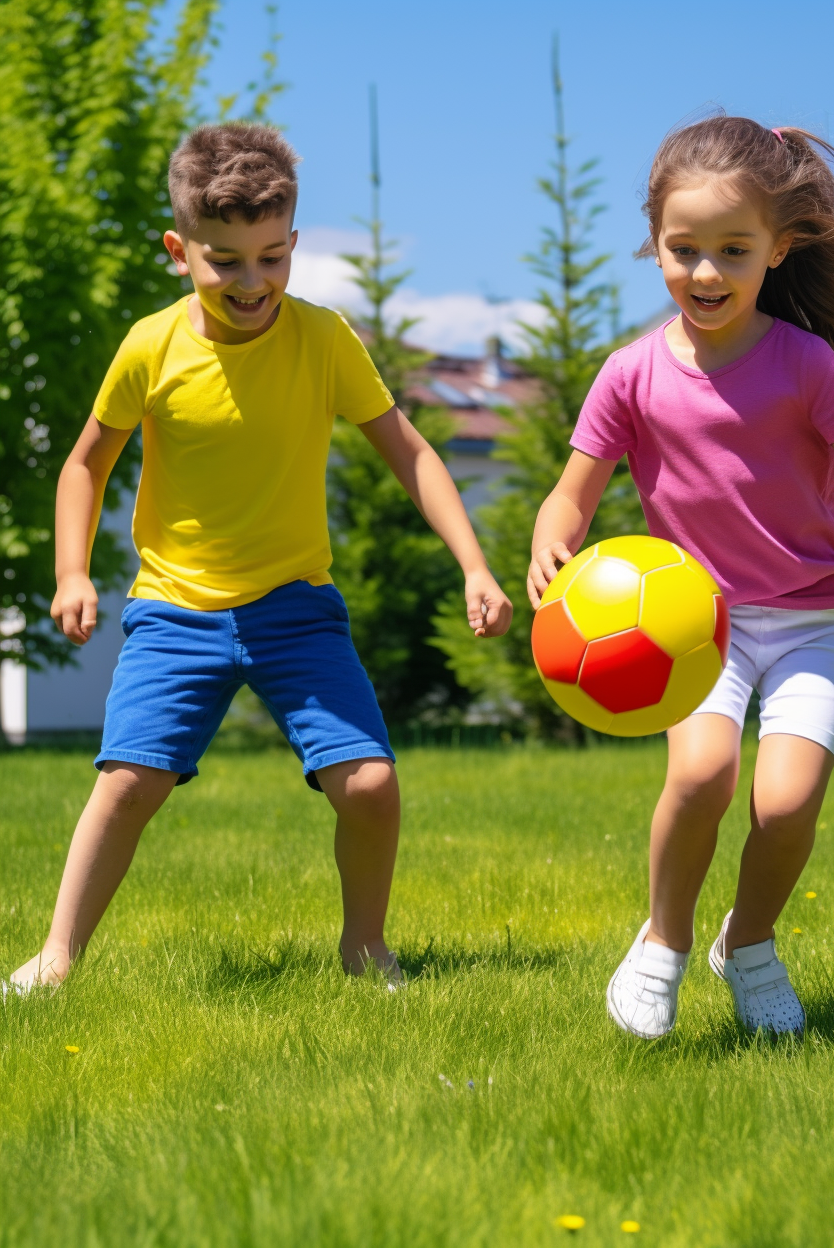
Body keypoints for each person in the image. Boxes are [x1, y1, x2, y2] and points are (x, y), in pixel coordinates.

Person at [5, 123, 511, 996]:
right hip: (175, 611)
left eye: (272, 259)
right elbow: (86, 462)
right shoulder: (151, 348)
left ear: (294, 245)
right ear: (179, 250)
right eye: (226, 262)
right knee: (127, 784)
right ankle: (55, 957)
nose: (253, 283)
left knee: (371, 785)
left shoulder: (323, 341)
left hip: (294, 607)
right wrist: (73, 572)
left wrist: (473, 563)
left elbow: (413, 452)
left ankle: (366, 949)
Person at [527, 116, 834, 1039]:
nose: (707, 273)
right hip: (693, 622)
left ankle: (749, 942)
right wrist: (551, 544)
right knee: (704, 775)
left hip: (815, 618)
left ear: (779, 248)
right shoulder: (630, 375)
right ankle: (663, 942)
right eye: (684, 251)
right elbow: (571, 495)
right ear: (655, 245)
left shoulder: (806, 363)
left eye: (733, 249)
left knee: (788, 799)